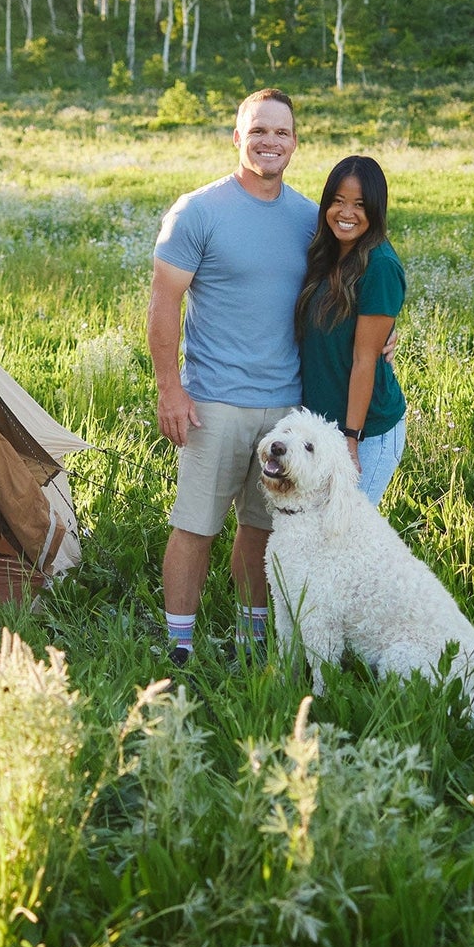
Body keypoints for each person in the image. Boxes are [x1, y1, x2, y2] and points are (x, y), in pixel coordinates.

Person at [147, 88, 319, 666]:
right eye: (259, 131)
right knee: (196, 525)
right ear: (237, 136)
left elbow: (342, 295)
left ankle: (250, 639)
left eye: (282, 133)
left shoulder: (308, 218)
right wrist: (170, 388)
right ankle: (179, 644)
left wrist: (383, 335)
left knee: (262, 528)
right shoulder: (198, 211)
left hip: (287, 408)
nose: (271, 142)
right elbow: (163, 303)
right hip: (213, 402)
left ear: (295, 142)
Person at [296, 156, 407, 506]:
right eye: (339, 201)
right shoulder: (327, 254)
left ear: (376, 209)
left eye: (360, 204)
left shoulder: (381, 266)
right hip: (320, 427)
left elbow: (365, 361)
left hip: (366, 431)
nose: (347, 212)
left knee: (341, 542)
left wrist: (351, 440)